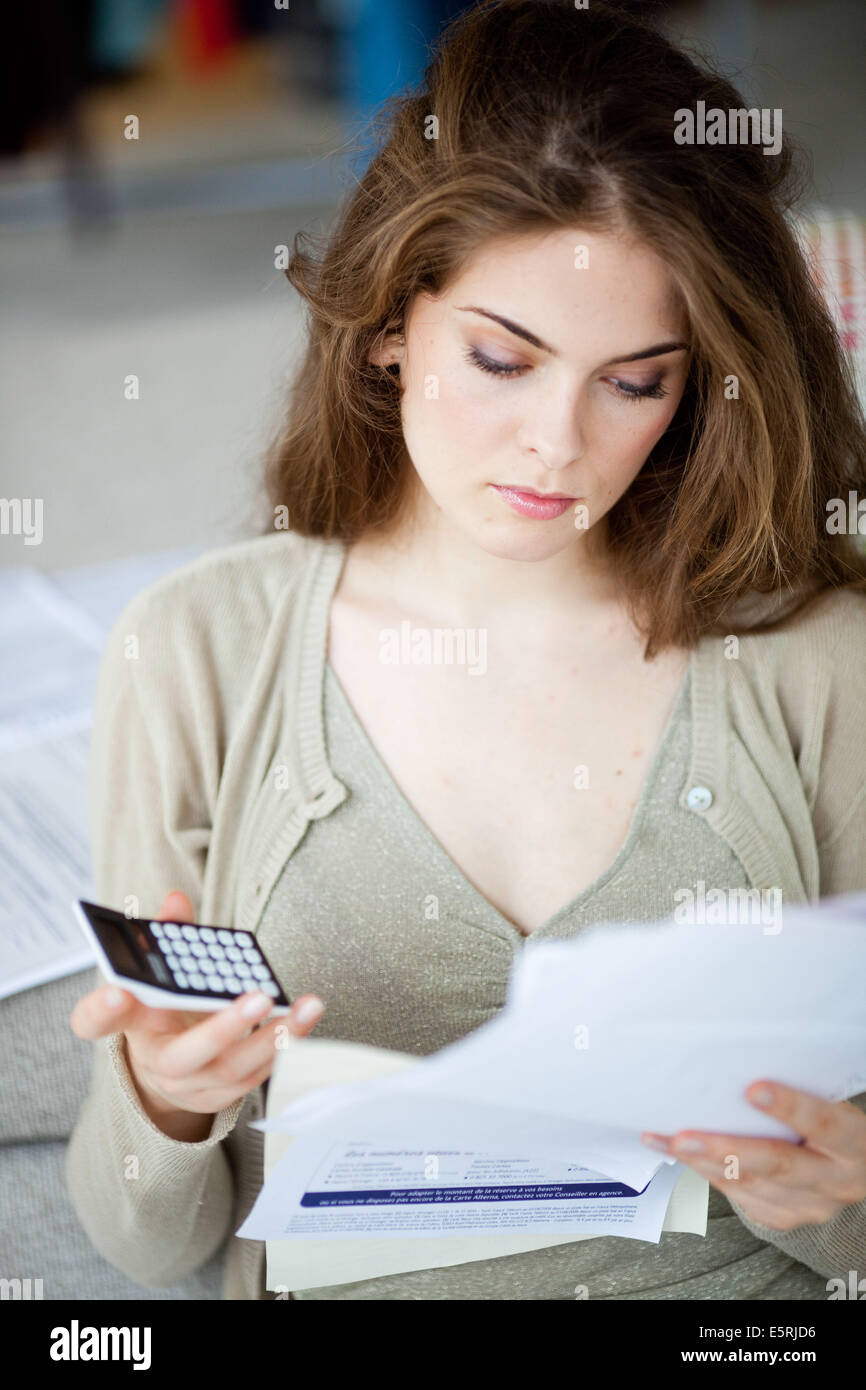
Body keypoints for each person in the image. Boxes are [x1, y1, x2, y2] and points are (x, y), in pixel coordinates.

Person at [67, 0, 866, 1300]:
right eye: (501, 358)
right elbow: (143, 1244)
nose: (557, 442)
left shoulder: (820, 661)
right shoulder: (195, 653)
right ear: (390, 325)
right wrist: (162, 1097)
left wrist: (843, 1196)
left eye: (634, 380)